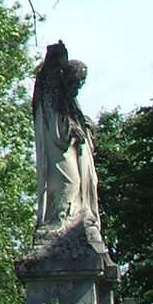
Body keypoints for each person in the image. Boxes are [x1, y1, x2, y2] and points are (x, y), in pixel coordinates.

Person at [32, 41, 101, 231]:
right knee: (70, 183)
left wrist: (83, 126)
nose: (78, 87)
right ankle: (60, 222)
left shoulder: (68, 97)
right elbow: (54, 121)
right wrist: (70, 127)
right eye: (76, 82)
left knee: (84, 184)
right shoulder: (50, 91)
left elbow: (74, 119)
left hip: (72, 148)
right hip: (59, 148)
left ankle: (77, 221)